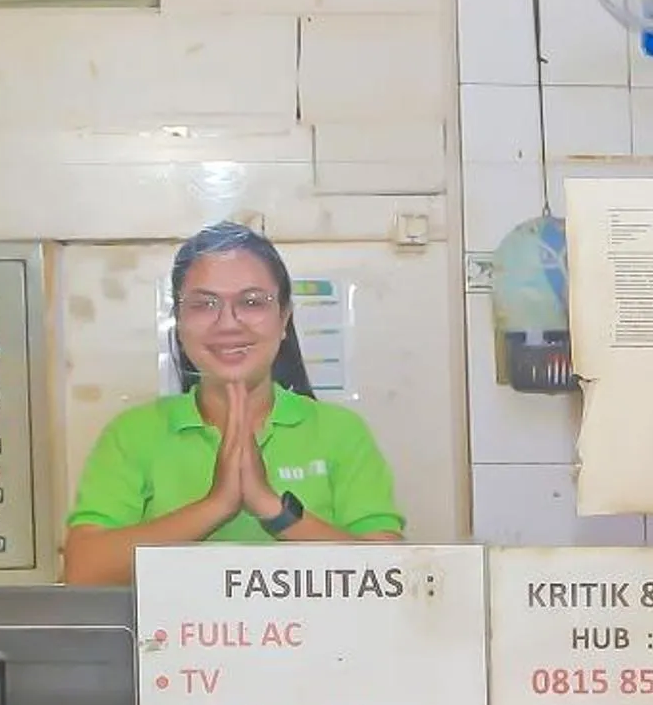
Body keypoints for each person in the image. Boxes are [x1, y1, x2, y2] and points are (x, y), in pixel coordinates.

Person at [61, 222, 405, 585]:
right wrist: (216, 505)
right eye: (204, 304)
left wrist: (272, 507)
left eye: (252, 302)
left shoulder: (340, 431)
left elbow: (392, 576)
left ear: (284, 319)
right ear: (179, 323)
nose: (228, 323)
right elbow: (83, 570)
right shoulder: (132, 433)